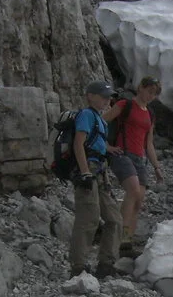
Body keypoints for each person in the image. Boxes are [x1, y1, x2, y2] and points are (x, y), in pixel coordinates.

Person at [104, 76, 165, 256]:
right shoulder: (125, 105)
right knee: (133, 191)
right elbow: (100, 122)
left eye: (154, 94)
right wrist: (106, 146)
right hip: (121, 153)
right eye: (149, 91)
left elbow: (149, 144)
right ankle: (117, 238)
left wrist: (156, 167)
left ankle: (125, 243)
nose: (150, 96)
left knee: (138, 202)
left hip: (140, 158)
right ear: (141, 88)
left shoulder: (150, 114)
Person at [68, 80, 122, 279]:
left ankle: (106, 264)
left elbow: (96, 143)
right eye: (103, 96)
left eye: (109, 97)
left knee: (114, 219)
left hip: (101, 170)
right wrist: (84, 172)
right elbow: (78, 143)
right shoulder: (86, 115)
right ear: (90, 96)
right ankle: (78, 266)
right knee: (88, 217)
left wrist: (109, 149)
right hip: (89, 169)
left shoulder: (98, 118)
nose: (107, 100)